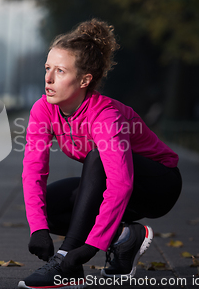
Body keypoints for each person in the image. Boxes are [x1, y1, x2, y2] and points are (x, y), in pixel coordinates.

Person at [18, 19, 182, 289]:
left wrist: (90, 246)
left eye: (60, 71)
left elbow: (121, 183)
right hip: (113, 180)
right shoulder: (43, 110)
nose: (48, 79)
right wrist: (38, 228)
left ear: (84, 79)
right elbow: (33, 171)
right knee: (47, 206)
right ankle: (124, 237)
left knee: (97, 156)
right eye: (47, 68)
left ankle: (65, 261)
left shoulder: (106, 116)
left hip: (157, 184)